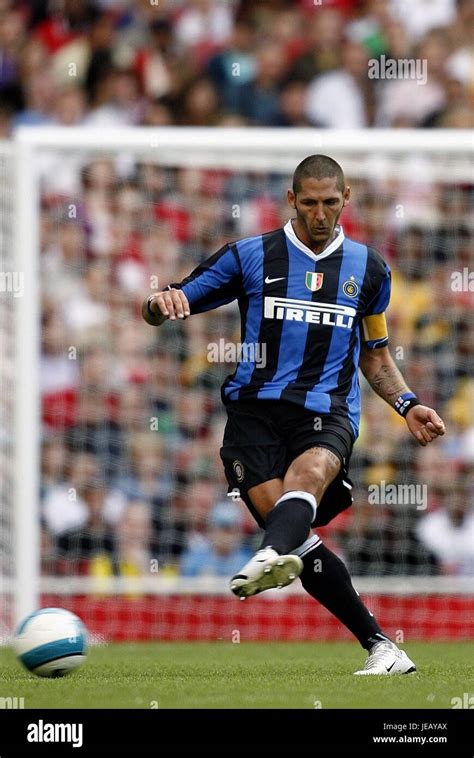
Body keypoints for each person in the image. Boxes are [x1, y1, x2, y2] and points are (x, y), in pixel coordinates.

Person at [142, 155, 446, 675]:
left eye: (331, 202)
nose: (321, 213)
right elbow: (173, 301)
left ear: (346, 199)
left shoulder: (369, 269)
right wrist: (160, 303)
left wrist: (407, 403)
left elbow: (374, 354)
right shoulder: (250, 256)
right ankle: (382, 647)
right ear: (291, 200)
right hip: (253, 416)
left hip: (325, 411)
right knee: (299, 543)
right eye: (310, 203)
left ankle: (267, 555)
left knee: (308, 477)